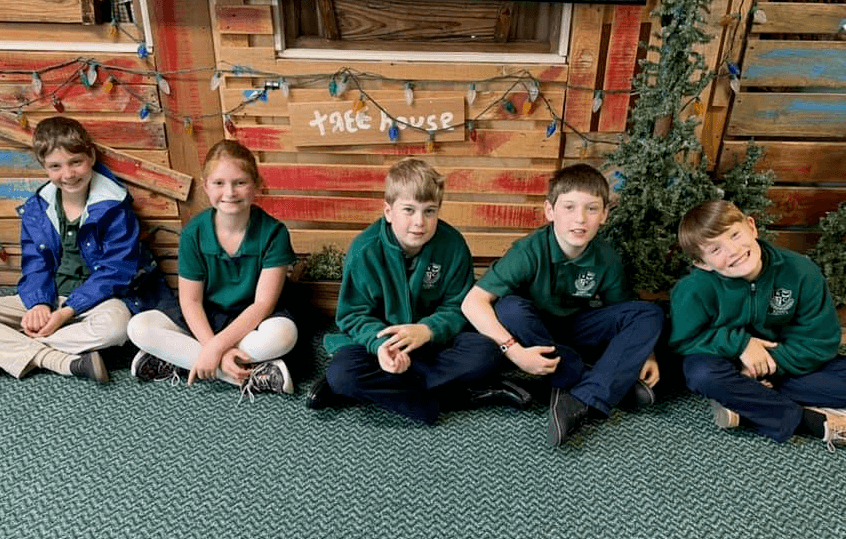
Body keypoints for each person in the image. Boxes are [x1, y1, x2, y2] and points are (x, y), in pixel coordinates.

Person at [307, 158, 530, 424]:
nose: (419, 222)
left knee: (487, 353)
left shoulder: (453, 245)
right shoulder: (364, 250)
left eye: (429, 211)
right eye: (409, 210)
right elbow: (353, 315)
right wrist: (382, 346)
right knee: (343, 373)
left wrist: (428, 330)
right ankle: (459, 396)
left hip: (434, 343)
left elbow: (458, 306)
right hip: (381, 346)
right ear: (388, 212)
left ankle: (374, 391)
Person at [461, 163, 664, 446]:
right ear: (550, 211)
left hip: (577, 328)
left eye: (591, 209)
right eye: (569, 207)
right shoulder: (529, 251)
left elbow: (625, 314)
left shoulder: (607, 256)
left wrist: (647, 354)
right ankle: (595, 378)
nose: (579, 219)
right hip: (533, 332)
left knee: (650, 313)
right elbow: (473, 303)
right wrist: (515, 352)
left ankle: (580, 394)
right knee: (509, 309)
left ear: (604, 214)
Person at [0, 116, 168, 383]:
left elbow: (115, 272)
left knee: (116, 329)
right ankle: (65, 362)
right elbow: (35, 264)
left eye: (75, 162)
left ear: (90, 155)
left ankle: (21, 346)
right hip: (52, 295)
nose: (68, 174)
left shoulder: (113, 207)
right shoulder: (36, 209)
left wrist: (66, 313)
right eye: (55, 166)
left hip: (100, 301)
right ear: (44, 166)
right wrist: (39, 304)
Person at [126, 140, 298, 399]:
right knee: (138, 326)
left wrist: (216, 346)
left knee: (284, 336)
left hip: (252, 320)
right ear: (206, 186)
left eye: (240, 182)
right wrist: (214, 347)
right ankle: (243, 374)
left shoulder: (274, 233)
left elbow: (262, 304)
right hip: (206, 316)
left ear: (256, 185)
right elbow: (191, 300)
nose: (229, 192)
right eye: (219, 183)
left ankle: (181, 359)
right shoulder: (194, 233)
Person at [669, 200, 846, 449]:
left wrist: (761, 366)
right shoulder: (692, 289)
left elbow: (821, 341)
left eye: (735, 235)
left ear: (751, 227)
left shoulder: (801, 271)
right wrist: (741, 346)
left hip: (784, 364)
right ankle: (806, 420)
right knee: (701, 374)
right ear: (702, 263)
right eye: (715, 249)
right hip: (724, 364)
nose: (732, 250)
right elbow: (684, 341)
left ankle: (745, 405)